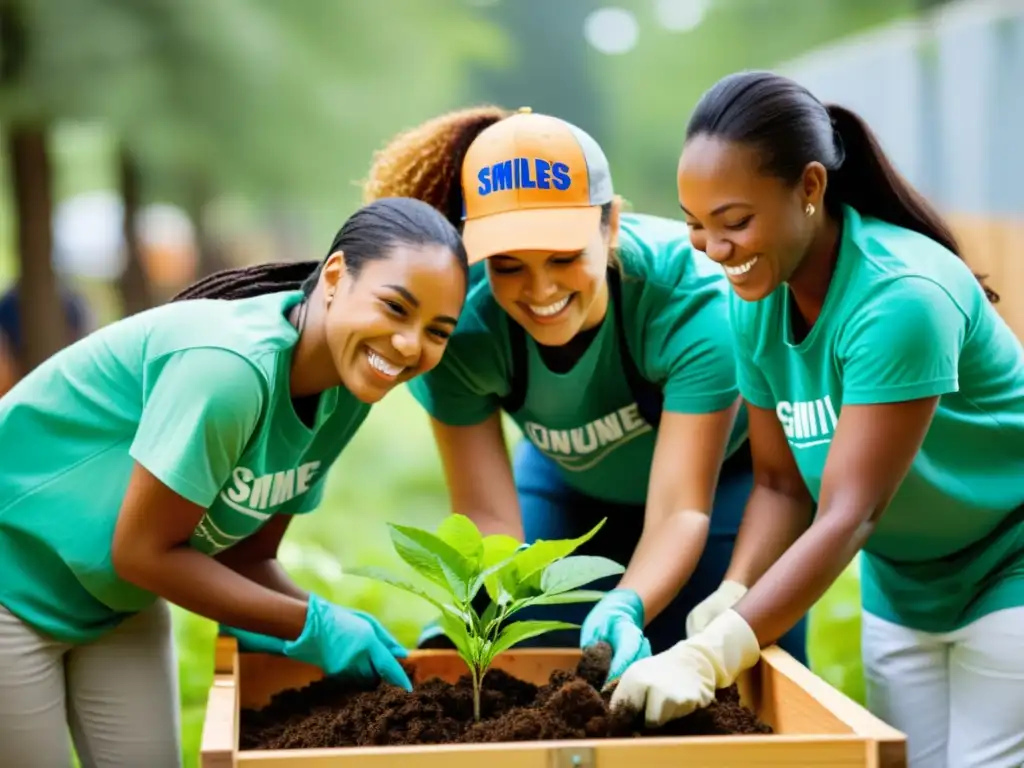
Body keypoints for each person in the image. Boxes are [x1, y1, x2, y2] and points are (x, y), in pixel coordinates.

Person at [609, 70, 1024, 768]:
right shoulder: (753, 300)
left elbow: (848, 513)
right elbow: (779, 485)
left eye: (734, 222)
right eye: (695, 226)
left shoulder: (900, 301)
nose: (715, 251)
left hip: (1007, 563)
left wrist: (713, 653)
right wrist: (736, 591)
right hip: (903, 584)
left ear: (809, 188)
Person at [0, 197, 469, 768]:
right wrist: (312, 624)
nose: (408, 344)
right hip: (14, 580)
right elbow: (142, 552)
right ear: (335, 276)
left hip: (112, 602)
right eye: (396, 307)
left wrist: (337, 627)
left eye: (436, 331)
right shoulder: (231, 370)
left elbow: (246, 555)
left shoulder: (347, 393)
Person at [361, 106, 809, 681]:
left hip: (722, 484)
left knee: (731, 673)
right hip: (567, 485)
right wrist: (475, 614)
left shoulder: (693, 300)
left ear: (611, 225)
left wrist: (629, 601)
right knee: (542, 667)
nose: (540, 289)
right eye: (508, 265)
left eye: (564, 258)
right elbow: (486, 510)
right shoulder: (458, 327)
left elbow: (679, 508)